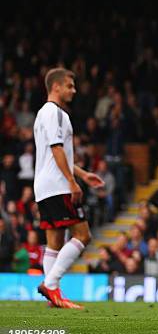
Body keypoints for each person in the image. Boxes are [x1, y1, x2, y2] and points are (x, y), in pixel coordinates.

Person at [34, 68, 105, 309]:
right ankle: (51, 284)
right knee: (83, 235)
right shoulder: (54, 113)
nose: (73, 90)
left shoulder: (44, 113)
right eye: (70, 86)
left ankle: (53, 295)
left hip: (44, 185)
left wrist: (83, 174)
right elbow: (56, 149)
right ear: (56, 87)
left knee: (54, 241)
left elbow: (55, 153)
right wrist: (72, 182)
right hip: (57, 185)